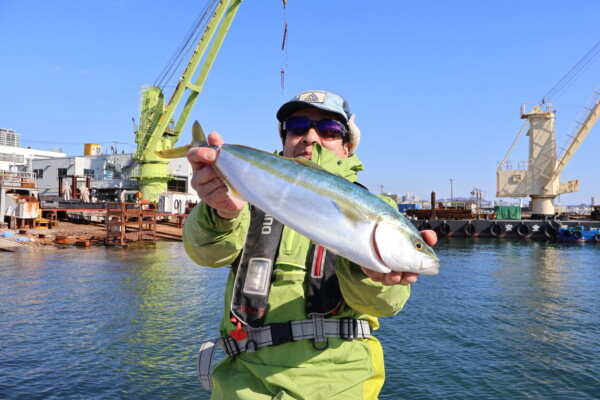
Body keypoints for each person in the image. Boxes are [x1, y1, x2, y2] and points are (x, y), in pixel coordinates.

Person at [183, 90, 437, 399]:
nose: (310, 137)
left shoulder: (378, 207)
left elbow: (384, 304)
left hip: (337, 384)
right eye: (298, 126)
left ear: (348, 146)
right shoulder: (245, 195)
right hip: (242, 384)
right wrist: (219, 211)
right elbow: (205, 254)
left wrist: (371, 277)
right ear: (285, 139)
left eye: (329, 130)